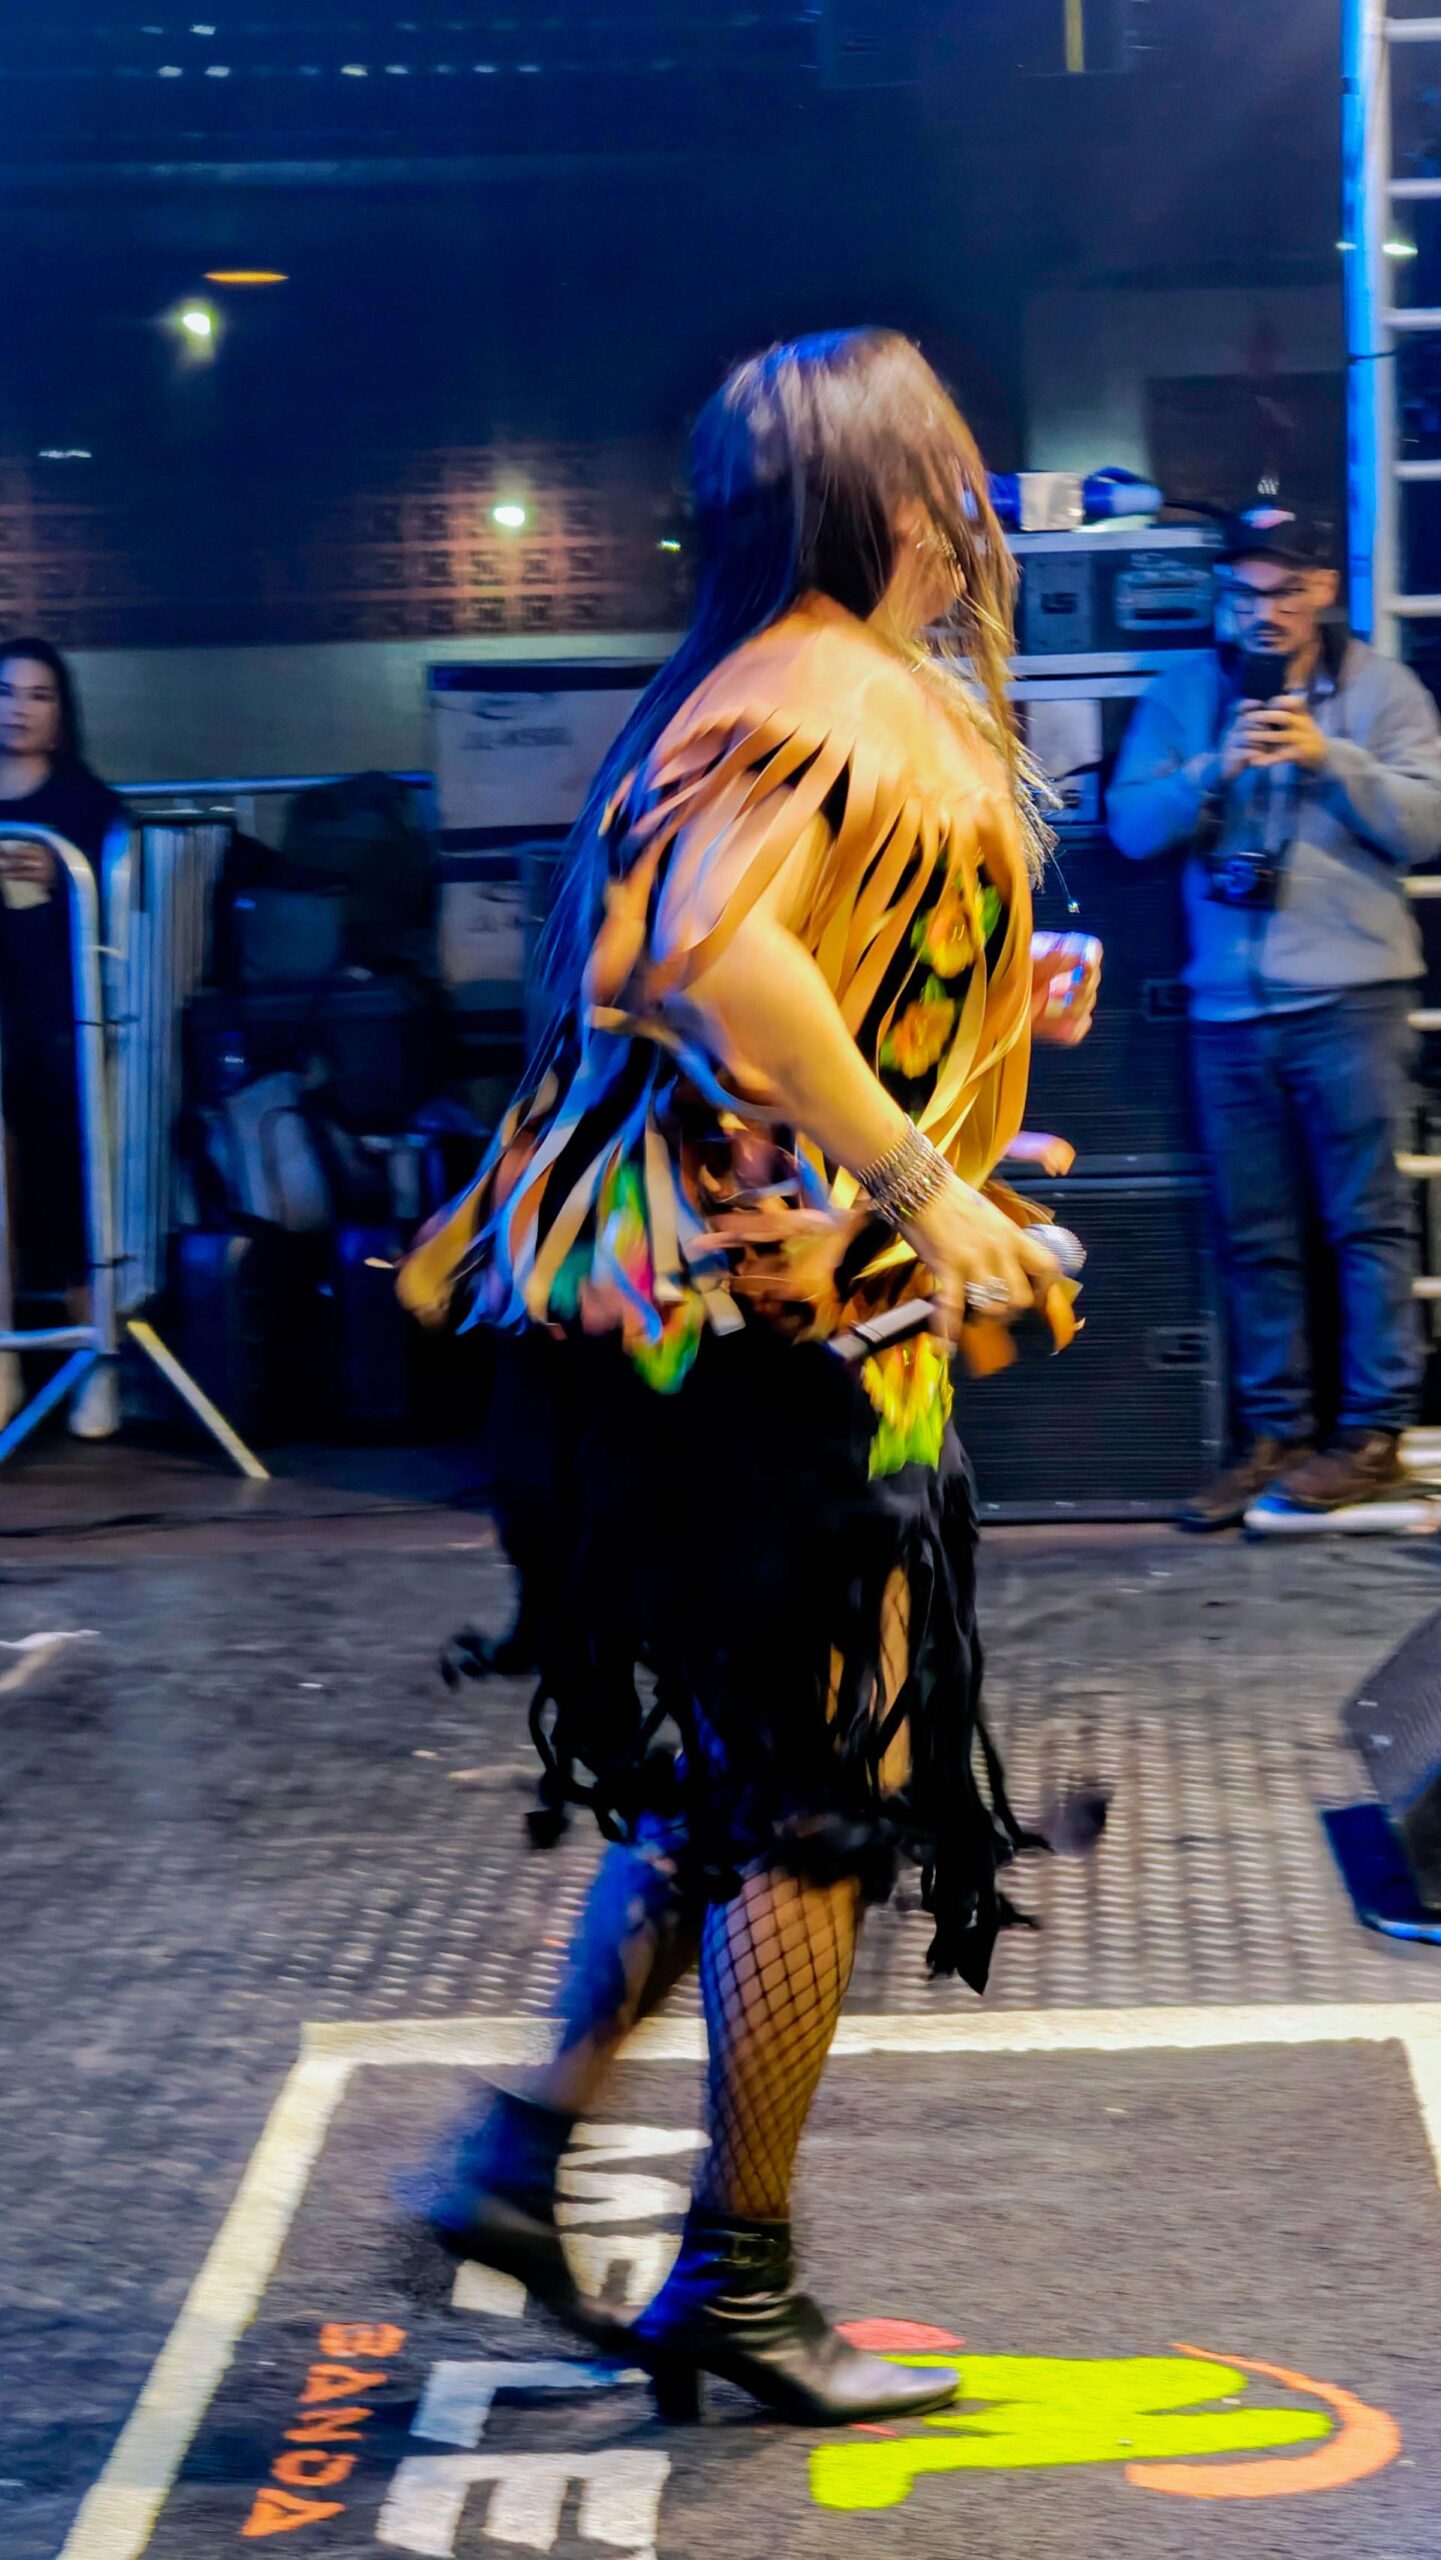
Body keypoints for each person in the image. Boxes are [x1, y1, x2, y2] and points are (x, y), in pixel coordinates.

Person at [399, 328, 1100, 2426]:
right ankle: (736, 2275)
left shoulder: (763, 685)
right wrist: (923, 1178)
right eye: (949, 476)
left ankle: (522, 2161)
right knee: (808, 1810)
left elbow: (756, 962)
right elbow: (707, 952)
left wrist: (979, 1008)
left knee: (743, 1785)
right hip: (760, 1353)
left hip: (724, 1347)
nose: (972, 518)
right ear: (887, 497)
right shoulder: (811, 688)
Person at [1108, 506, 1441, 1527]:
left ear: (1324, 590)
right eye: (1244, 593)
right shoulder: (1184, 692)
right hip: (1227, 1010)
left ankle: (1373, 1436)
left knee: (1366, 1222)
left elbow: (1427, 825)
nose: (1264, 612)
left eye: (1286, 591)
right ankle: (1273, 1438)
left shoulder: (1381, 689)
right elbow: (1130, 827)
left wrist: (1327, 758)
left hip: (1351, 1002)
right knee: (1252, 1233)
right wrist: (1213, 767)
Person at [0, 639, 127, 1439]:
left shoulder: (87, 803)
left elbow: (127, 908)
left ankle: (97, 1361)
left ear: (61, 710)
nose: (19, 709)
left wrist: (64, 879)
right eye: (7, 692)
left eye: (38, 695)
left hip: (64, 1025)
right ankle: (5, 1363)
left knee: (78, 1181)